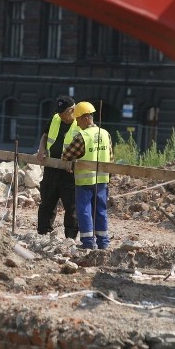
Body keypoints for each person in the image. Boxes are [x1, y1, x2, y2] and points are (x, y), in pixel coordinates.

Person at [61, 101, 113, 250]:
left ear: (85, 118)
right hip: (102, 180)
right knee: (101, 210)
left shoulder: (82, 136)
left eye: (78, 120)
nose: (77, 123)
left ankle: (88, 242)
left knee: (84, 210)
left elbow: (66, 156)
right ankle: (103, 243)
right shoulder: (105, 134)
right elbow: (111, 159)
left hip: (84, 181)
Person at [35, 95, 80, 239]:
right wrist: (41, 148)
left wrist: (73, 161)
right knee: (47, 203)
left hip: (69, 172)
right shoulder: (55, 118)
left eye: (63, 112)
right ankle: (43, 234)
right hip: (51, 167)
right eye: (59, 112)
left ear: (72, 110)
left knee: (71, 207)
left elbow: (85, 145)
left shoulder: (80, 123)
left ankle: (70, 239)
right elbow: (45, 135)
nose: (60, 115)